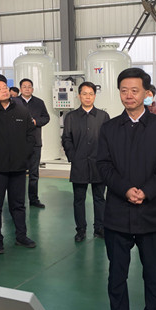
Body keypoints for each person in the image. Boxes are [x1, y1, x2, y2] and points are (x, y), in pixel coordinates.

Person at [97, 67, 156, 310]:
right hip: (118, 214)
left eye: (134, 90)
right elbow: (103, 165)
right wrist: (125, 189)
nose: (128, 95)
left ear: (147, 93)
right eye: (124, 90)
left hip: (151, 213)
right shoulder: (109, 129)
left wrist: (147, 191)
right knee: (117, 274)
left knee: (153, 272)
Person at [0, 74, 37, 254]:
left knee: (18, 205)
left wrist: (25, 155)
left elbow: (31, 134)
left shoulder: (21, 110)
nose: (3, 90)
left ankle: (21, 236)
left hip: (18, 167)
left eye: (4, 87)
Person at [61, 82, 110, 242]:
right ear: (79, 96)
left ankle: (99, 228)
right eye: (84, 94)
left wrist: (105, 159)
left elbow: (108, 140)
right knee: (79, 199)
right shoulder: (71, 117)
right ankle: (80, 230)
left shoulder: (103, 116)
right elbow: (66, 138)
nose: (88, 97)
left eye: (91, 94)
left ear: (94, 96)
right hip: (79, 164)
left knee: (99, 198)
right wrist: (73, 156)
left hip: (98, 164)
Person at [17, 78, 50, 208]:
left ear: (33, 89)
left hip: (35, 142)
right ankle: (18, 200)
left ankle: (33, 199)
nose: (27, 88)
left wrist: (36, 121)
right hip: (18, 143)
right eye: (24, 86)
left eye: (29, 86)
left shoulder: (39, 102)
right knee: (18, 173)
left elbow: (46, 117)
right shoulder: (14, 102)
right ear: (20, 89)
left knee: (34, 173)